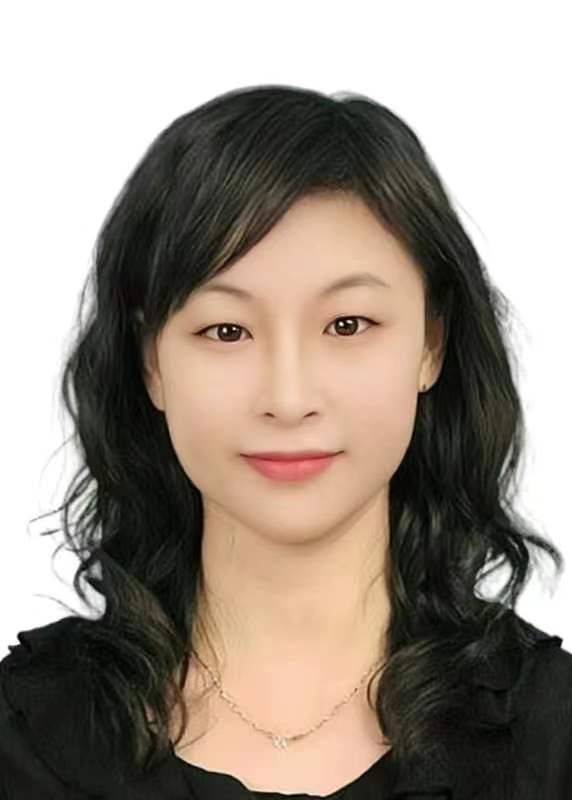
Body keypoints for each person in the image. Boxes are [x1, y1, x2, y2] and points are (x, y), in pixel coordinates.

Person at [1, 83, 570, 799]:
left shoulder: (552, 738)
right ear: (151, 362)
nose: (289, 398)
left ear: (432, 344)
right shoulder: (22, 740)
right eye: (227, 331)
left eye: (347, 325)